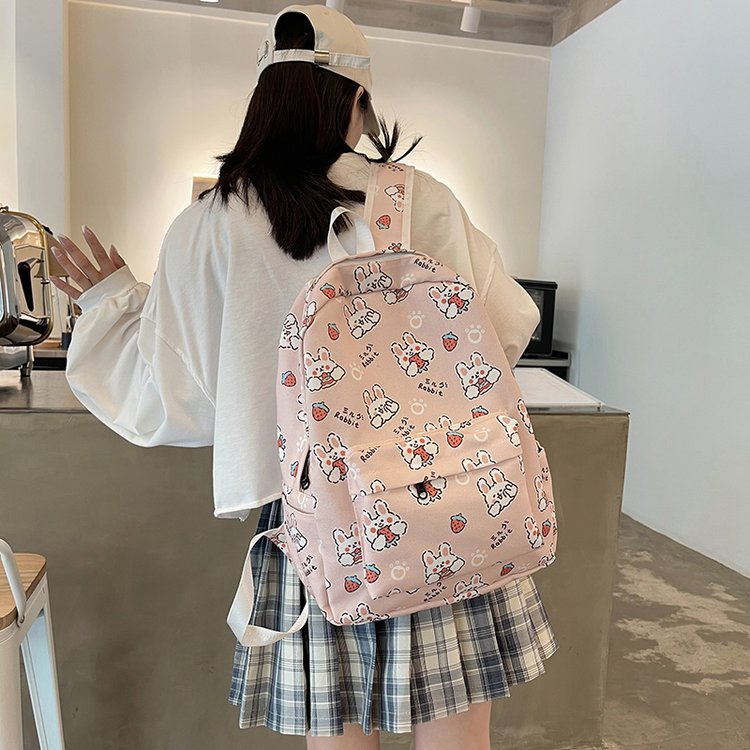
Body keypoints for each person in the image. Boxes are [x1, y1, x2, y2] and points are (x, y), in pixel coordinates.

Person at [50, 5, 558, 749]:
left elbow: (173, 399)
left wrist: (115, 303)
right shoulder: (417, 198)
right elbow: (503, 332)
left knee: (337, 735)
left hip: (312, 523)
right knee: (456, 734)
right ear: (357, 102)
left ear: (264, 99)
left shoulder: (207, 225)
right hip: (442, 499)